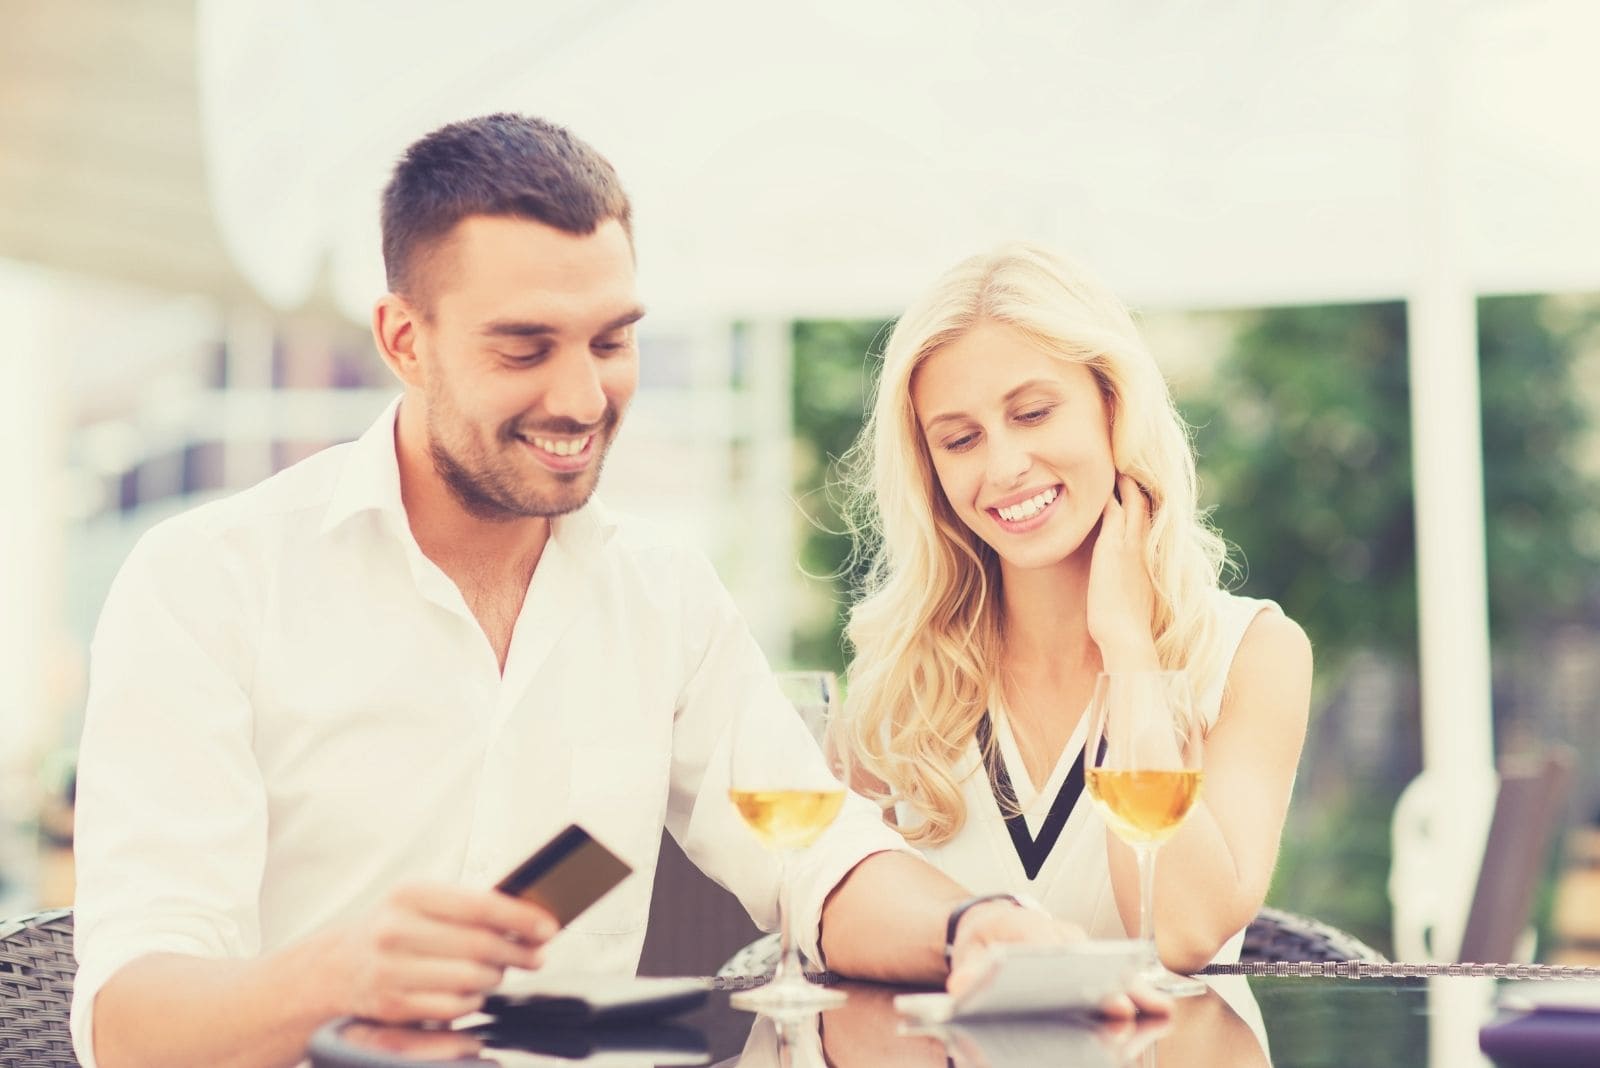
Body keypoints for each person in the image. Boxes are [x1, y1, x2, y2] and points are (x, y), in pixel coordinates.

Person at [69, 117, 1134, 1068]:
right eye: (525, 347)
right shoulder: (209, 583)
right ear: (405, 340)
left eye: (612, 341)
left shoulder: (659, 593)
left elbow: (818, 857)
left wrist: (971, 925)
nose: (581, 398)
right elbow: (131, 1028)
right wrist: (340, 975)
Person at [841, 242, 1312, 973]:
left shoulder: (1252, 652)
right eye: (960, 439)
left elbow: (1183, 935)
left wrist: (1128, 649)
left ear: (1112, 407)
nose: (1002, 467)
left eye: (1032, 413)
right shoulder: (899, 677)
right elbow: (843, 936)